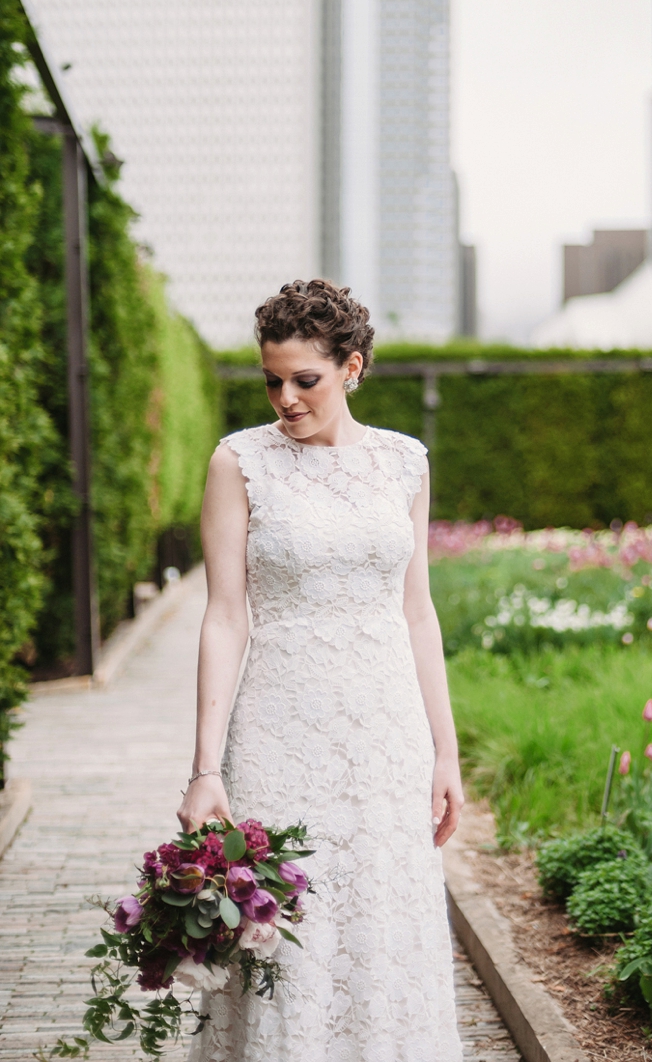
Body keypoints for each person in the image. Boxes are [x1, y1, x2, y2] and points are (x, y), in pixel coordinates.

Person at [178, 278, 464, 1060]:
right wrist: (205, 770)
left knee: (382, 920)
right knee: (285, 932)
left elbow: (417, 613)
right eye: (272, 380)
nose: (285, 398)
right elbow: (225, 615)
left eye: (305, 379)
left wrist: (444, 751)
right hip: (280, 729)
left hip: (385, 735)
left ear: (353, 368)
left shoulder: (406, 463)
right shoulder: (239, 462)